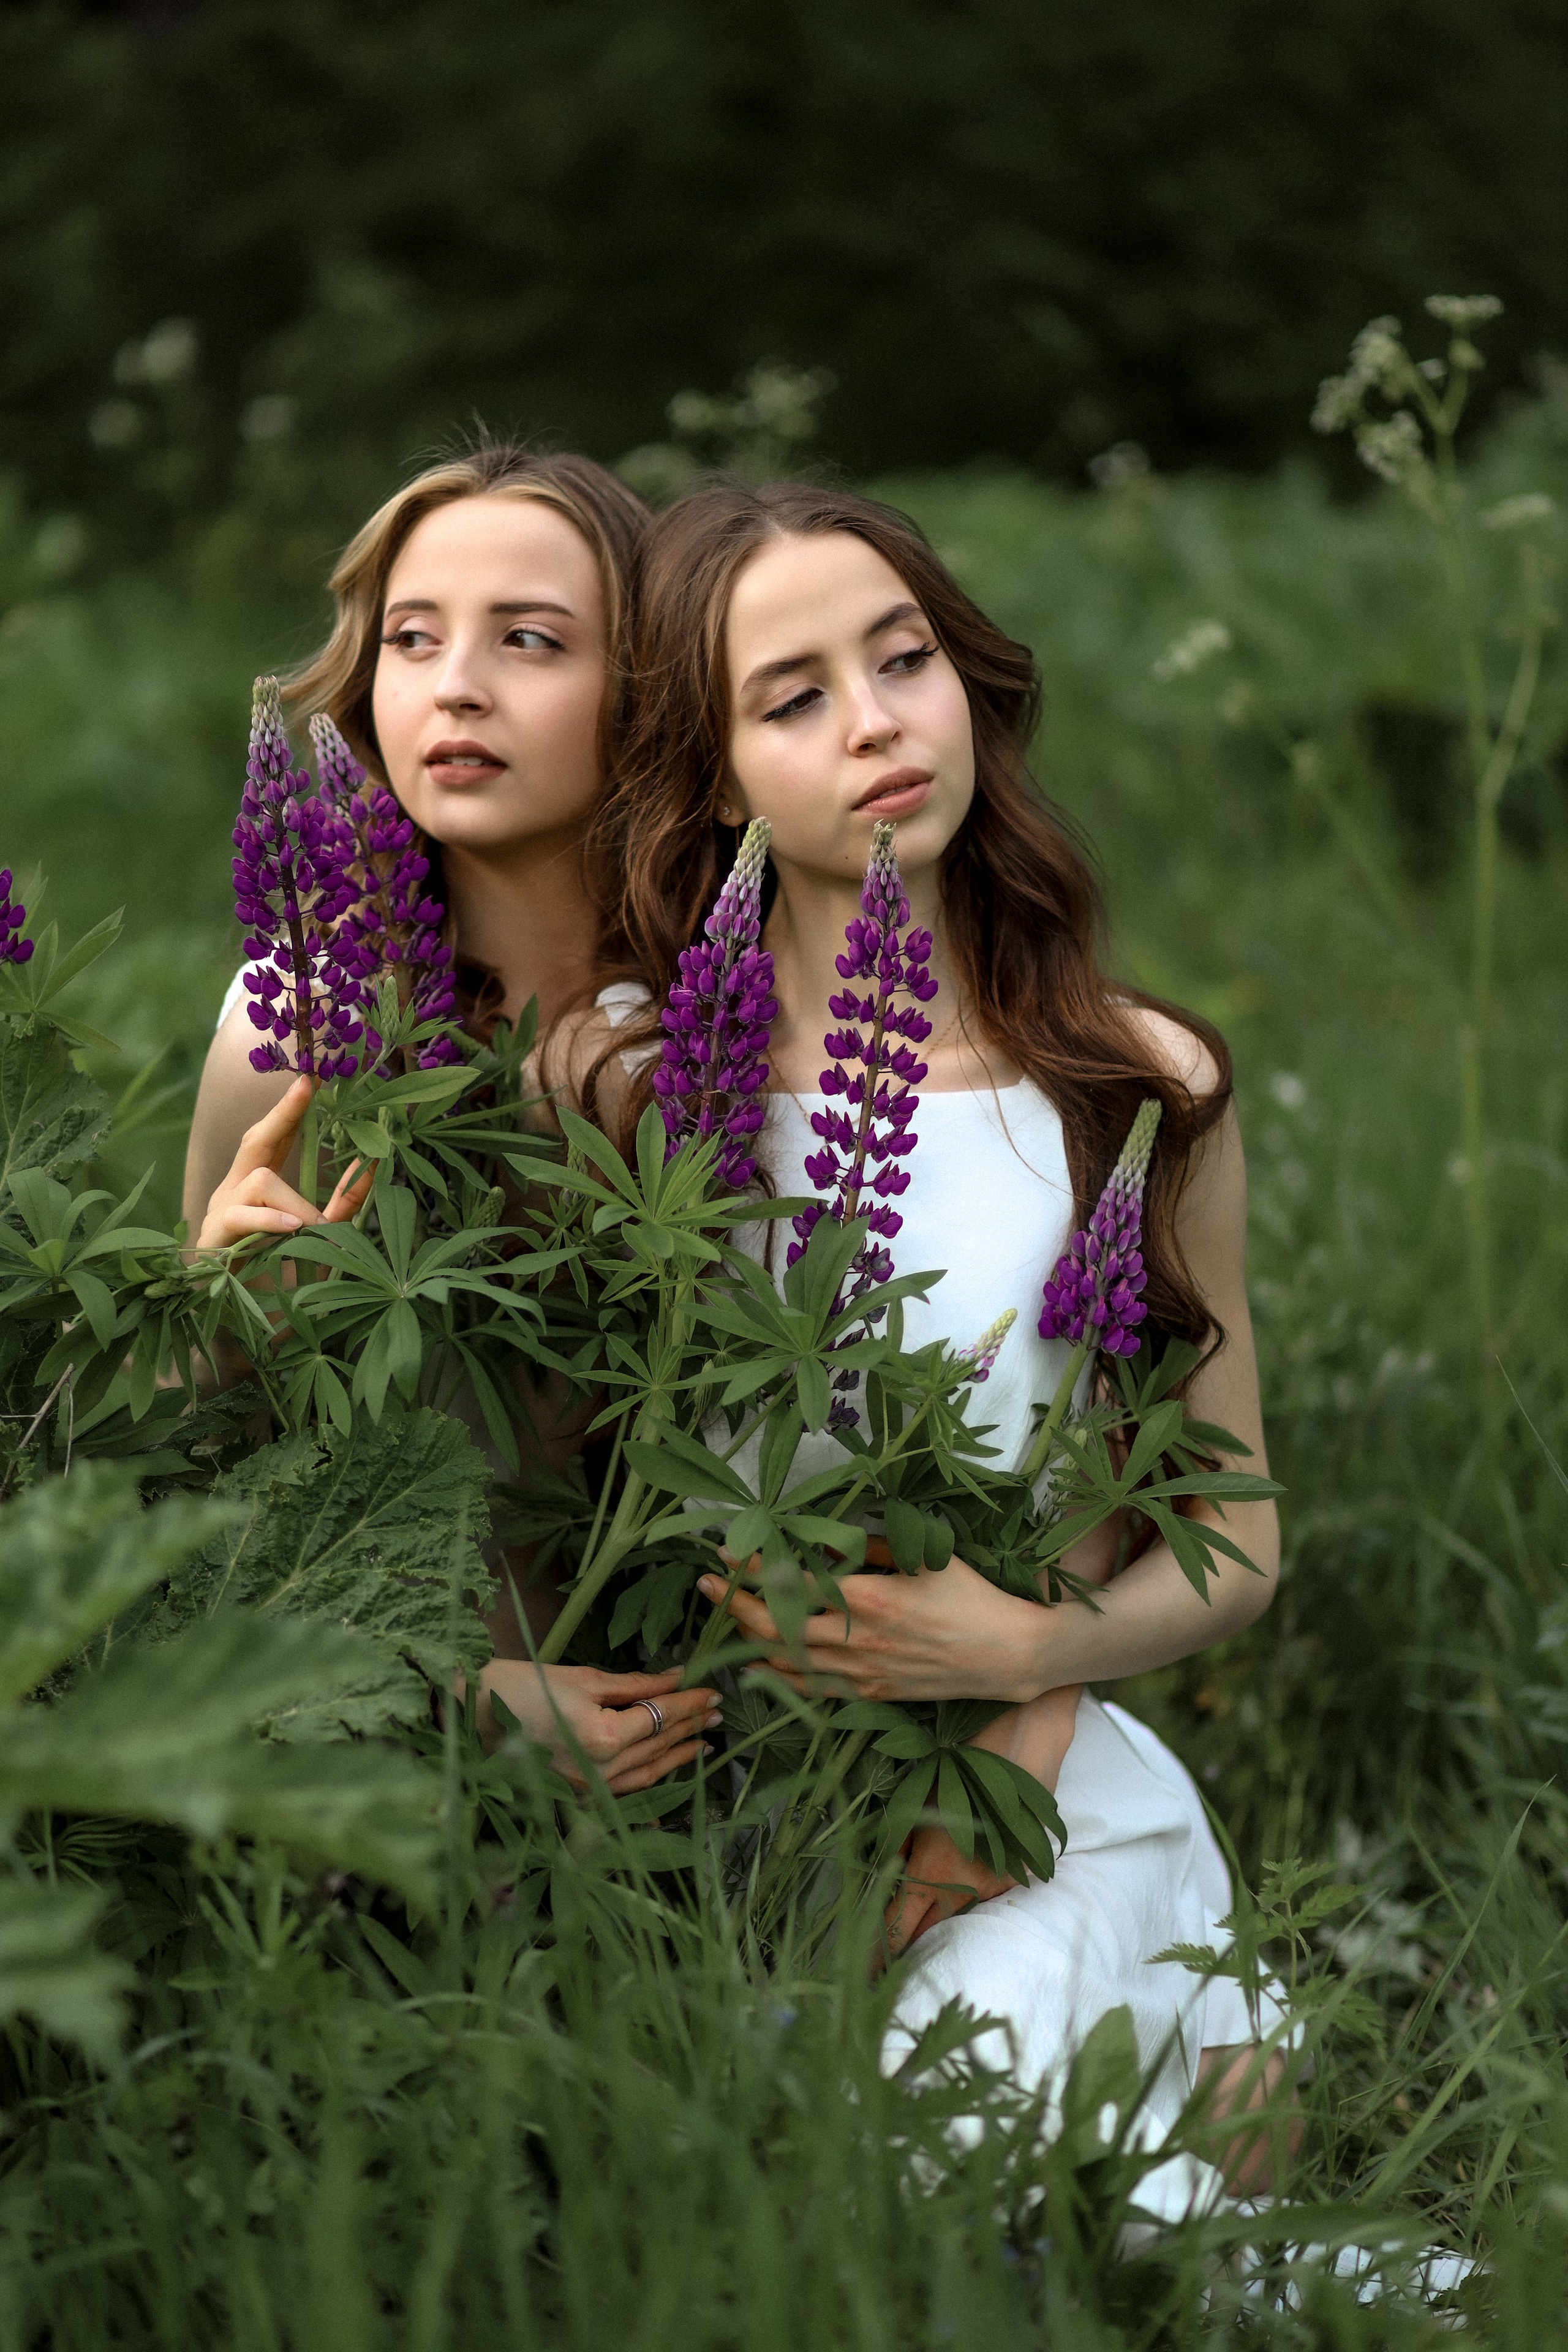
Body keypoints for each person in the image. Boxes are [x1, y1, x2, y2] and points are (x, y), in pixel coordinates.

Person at [573, 478, 1291, 2185]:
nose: (877, 722)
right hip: (724, 1798)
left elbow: (1237, 1542)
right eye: (793, 694)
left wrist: (1029, 1671)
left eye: (903, 658)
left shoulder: (1135, 1081)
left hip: (1031, 1791)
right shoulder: (634, 1086)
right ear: (711, 768)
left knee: (947, 2162)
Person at [186, 442, 720, 1796]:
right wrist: (211, 1316)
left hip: (729, 1757)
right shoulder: (290, 1027)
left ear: (649, 687)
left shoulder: (730, 1027)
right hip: (382, 1770)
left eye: (528, 639)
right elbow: (194, 1487)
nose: (454, 685)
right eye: (411, 638)